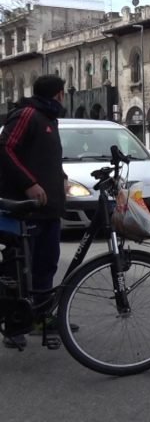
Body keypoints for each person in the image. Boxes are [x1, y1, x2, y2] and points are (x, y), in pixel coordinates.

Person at [0, 75, 68, 349]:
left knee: (46, 264)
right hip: (25, 209)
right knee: (20, 267)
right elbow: (5, 148)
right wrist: (29, 184)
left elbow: (45, 158)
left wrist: (61, 175)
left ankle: (40, 317)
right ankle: (15, 325)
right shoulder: (29, 114)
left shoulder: (49, 119)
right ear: (60, 94)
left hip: (48, 209)